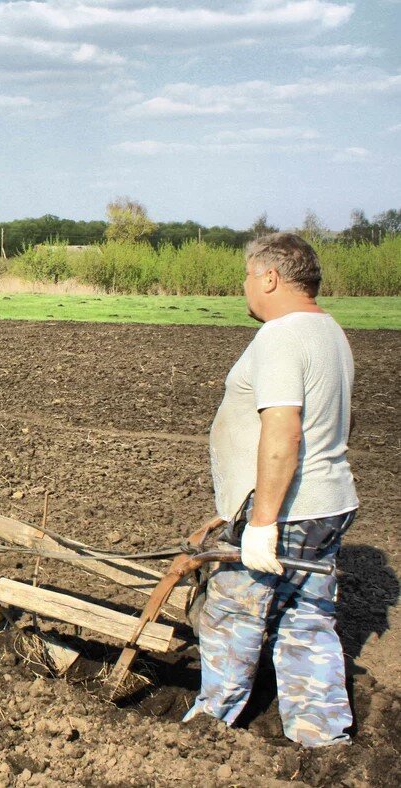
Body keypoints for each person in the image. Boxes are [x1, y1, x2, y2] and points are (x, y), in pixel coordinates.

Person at [183, 232, 358, 747]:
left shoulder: (281, 336)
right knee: (307, 618)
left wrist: (260, 524)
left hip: (286, 509)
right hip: (328, 502)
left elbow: (283, 431)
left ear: (270, 277)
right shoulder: (328, 332)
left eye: (246, 277)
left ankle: (208, 730)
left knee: (231, 613)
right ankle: (321, 737)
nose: (245, 288)